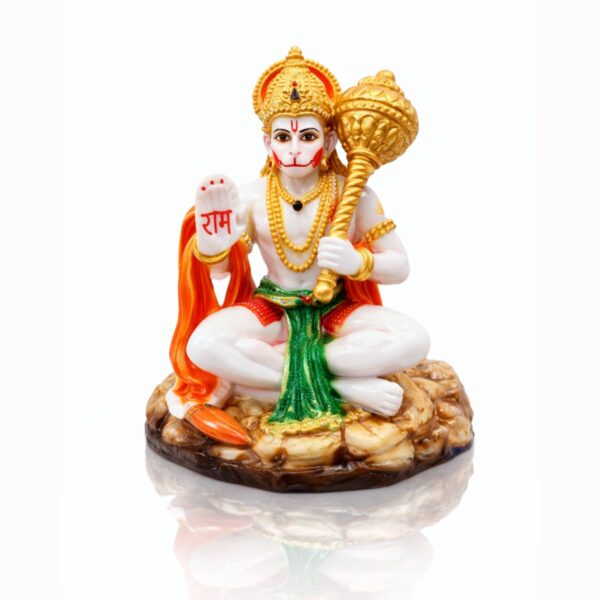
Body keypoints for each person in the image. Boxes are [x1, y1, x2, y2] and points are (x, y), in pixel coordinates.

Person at [167, 47, 430, 445]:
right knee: (203, 345)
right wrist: (214, 247)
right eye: (282, 137)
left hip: (335, 312)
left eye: (307, 136)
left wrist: (357, 262)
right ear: (266, 142)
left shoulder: (354, 194)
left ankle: (267, 381)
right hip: (273, 308)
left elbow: (399, 266)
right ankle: (341, 387)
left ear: (329, 141)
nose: (294, 149)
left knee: (414, 339)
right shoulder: (252, 196)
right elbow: (221, 274)